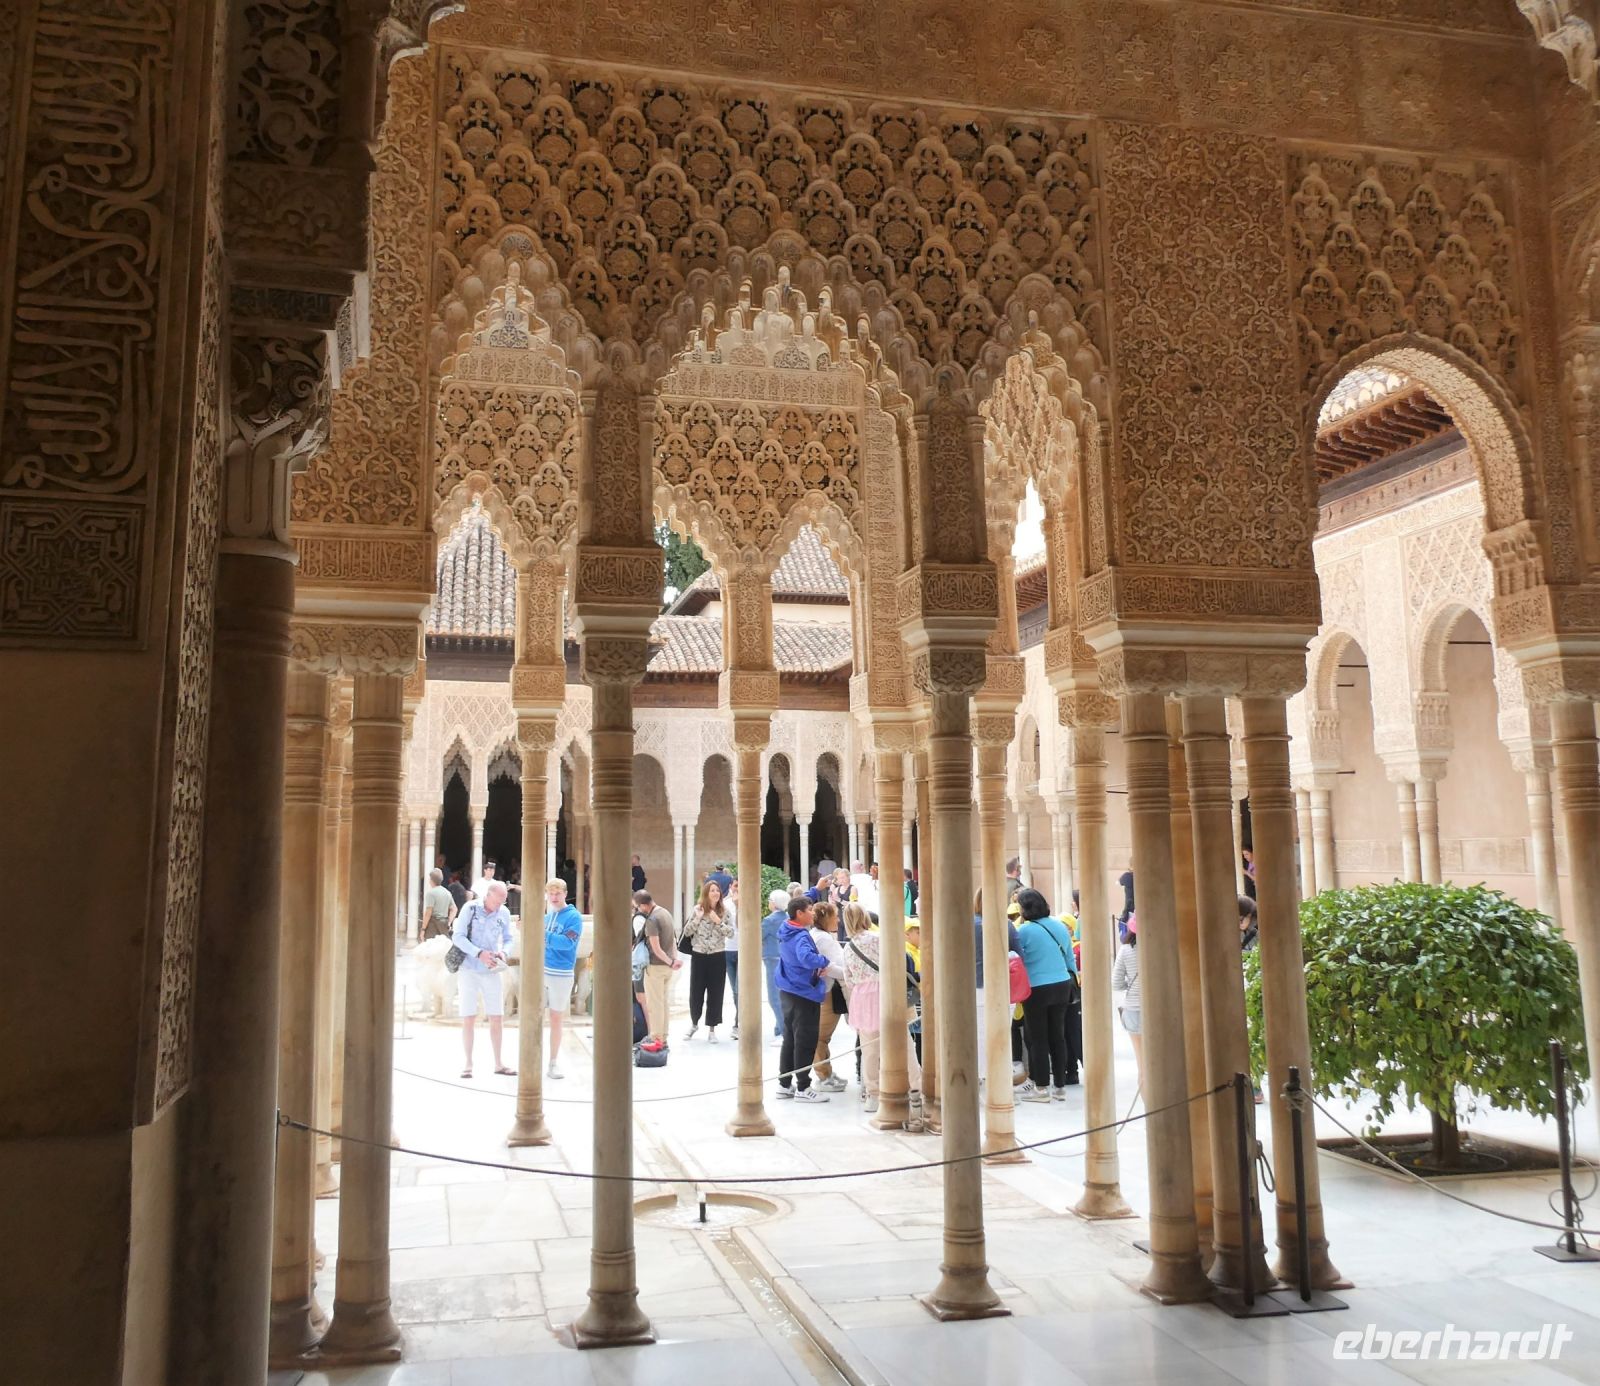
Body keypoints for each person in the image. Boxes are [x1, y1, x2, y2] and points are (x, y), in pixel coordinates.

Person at [1013, 886, 1079, 1101]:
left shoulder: (1024, 931)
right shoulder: (1059, 926)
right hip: (1061, 984)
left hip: (1037, 988)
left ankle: (1041, 1088)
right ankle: (1059, 1086)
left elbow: (1017, 959)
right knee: (1057, 1036)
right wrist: (1075, 980)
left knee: (1037, 1038)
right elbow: (1069, 957)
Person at [451, 882, 516, 1079]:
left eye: (503, 901)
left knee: (497, 1016)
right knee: (468, 1016)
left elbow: (509, 938)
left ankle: (498, 1062)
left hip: (491, 970)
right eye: (497, 900)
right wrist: (478, 953)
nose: (500, 905)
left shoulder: (503, 913)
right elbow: (458, 937)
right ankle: (468, 1063)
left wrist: (504, 953)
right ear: (488, 895)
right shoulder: (470, 909)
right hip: (469, 968)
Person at [776, 897, 837, 1102]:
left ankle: (784, 1085)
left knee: (790, 1039)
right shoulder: (801, 935)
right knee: (805, 1040)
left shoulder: (786, 929)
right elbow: (806, 957)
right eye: (809, 910)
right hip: (804, 993)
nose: (813, 913)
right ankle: (803, 1088)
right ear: (800, 914)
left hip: (788, 990)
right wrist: (823, 961)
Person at [543, 878, 583, 1079]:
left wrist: (542, 935)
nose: (554, 897)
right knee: (534, 1014)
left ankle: (553, 1061)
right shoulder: (548, 916)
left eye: (558, 893)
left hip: (561, 972)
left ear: (565, 894)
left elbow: (567, 943)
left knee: (556, 1017)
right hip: (542, 970)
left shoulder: (574, 916)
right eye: (551, 893)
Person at [808, 901, 849, 1092]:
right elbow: (836, 965)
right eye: (835, 916)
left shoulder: (820, 936)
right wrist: (847, 972)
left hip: (826, 989)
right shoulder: (823, 939)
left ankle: (826, 1072)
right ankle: (823, 1075)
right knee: (821, 1037)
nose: (838, 920)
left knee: (822, 1036)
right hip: (827, 991)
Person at [684, 879, 733, 1040]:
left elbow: (731, 933)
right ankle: (693, 1023)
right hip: (699, 955)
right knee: (696, 991)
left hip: (717, 955)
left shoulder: (725, 912)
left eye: (717, 890)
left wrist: (718, 922)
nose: (715, 893)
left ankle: (712, 1029)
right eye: (712, 890)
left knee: (716, 993)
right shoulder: (697, 909)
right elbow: (687, 932)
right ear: (706, 893)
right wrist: (697, 918)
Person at [635, 889, 679, 1046]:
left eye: (638, 907)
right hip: (667, 968)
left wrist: (670, 961)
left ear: (643, 905)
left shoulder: (652, 920)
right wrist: (674, 960)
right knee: (663, 1002)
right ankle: (663, 1036)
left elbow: (656, 948)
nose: (638, 910)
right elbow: (673, 940)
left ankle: (656, 1038)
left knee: (654, 1004)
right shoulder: (665, 913)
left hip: (656, 967)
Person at [1112, 913, 1142, 1088]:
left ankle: (1149, 1111)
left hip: (1133, 1008)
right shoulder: (1162, 947)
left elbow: (1116, 983)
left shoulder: (1125, 949)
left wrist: (1131, 983)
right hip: (1158, 1008)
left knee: (1143, 1067)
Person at [762, 889, 790, 1043]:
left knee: (774, 997)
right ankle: (779, 1028)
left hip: (773, 959)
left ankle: (784, 1031)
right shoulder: (788, 918)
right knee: (784, 996)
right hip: (786, 959)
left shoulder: (769, 920)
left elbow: (757, 936)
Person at [725, 878, 741, 1038]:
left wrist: (738, 905)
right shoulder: (724, 903)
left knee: (739, 989)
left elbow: (740, 925)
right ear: (731, 887)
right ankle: (739, 1021)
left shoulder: (748, 902)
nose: (738, 889)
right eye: (736, 885)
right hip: (727, 950)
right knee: (734, 990)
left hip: (742, 949)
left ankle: (739, 1023)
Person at [421, 867, 456, 940]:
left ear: (431, 880)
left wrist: (423, 929)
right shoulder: (447, 893)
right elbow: (454, 909)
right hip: (444, 924)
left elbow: (428, 912)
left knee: (431, 947)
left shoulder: (430, 893)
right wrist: (449, 922)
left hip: (432, 926)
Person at [1117, 866, 1135, 940]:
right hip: (1137, 908)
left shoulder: (1127, 876)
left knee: (1129, 928)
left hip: (1130, 907)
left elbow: (1119, 881)